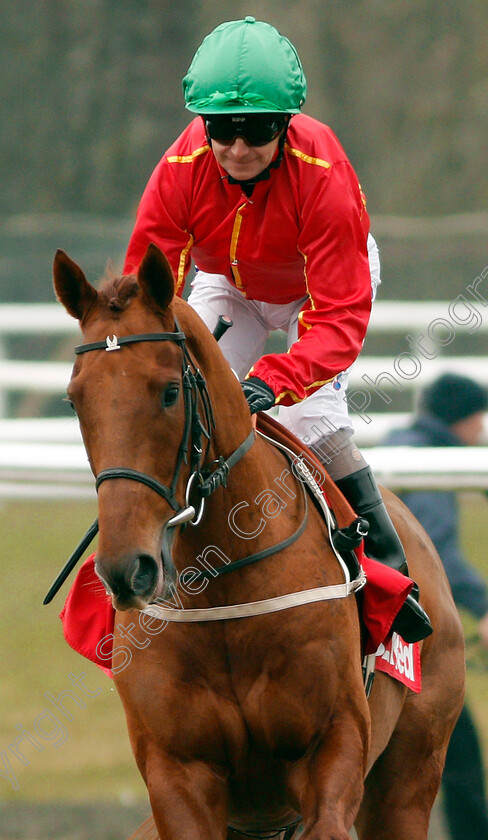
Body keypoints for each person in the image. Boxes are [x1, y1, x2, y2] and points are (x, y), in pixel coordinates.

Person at [123, 17, 431, 641]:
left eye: (258, 129)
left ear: (286, 123)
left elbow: (339, 318)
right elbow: (145, 288)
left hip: (315, 292)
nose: (237, 150)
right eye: (222, 130)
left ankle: (392, 578)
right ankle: (148, 561)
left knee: (308, 421)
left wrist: (276, 378)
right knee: (180, 402)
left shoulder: (323, 173)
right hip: (228, 282)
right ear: (202, 125)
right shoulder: (180, 165)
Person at [383, 372, 488, 840]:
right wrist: (483, 605)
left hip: (370, 619)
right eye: (479, 419)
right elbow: (437, 550)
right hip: (410, 634)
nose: (481, 431)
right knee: (456, 752)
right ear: (461, 420)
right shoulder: (431, 462)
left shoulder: (395, 445)